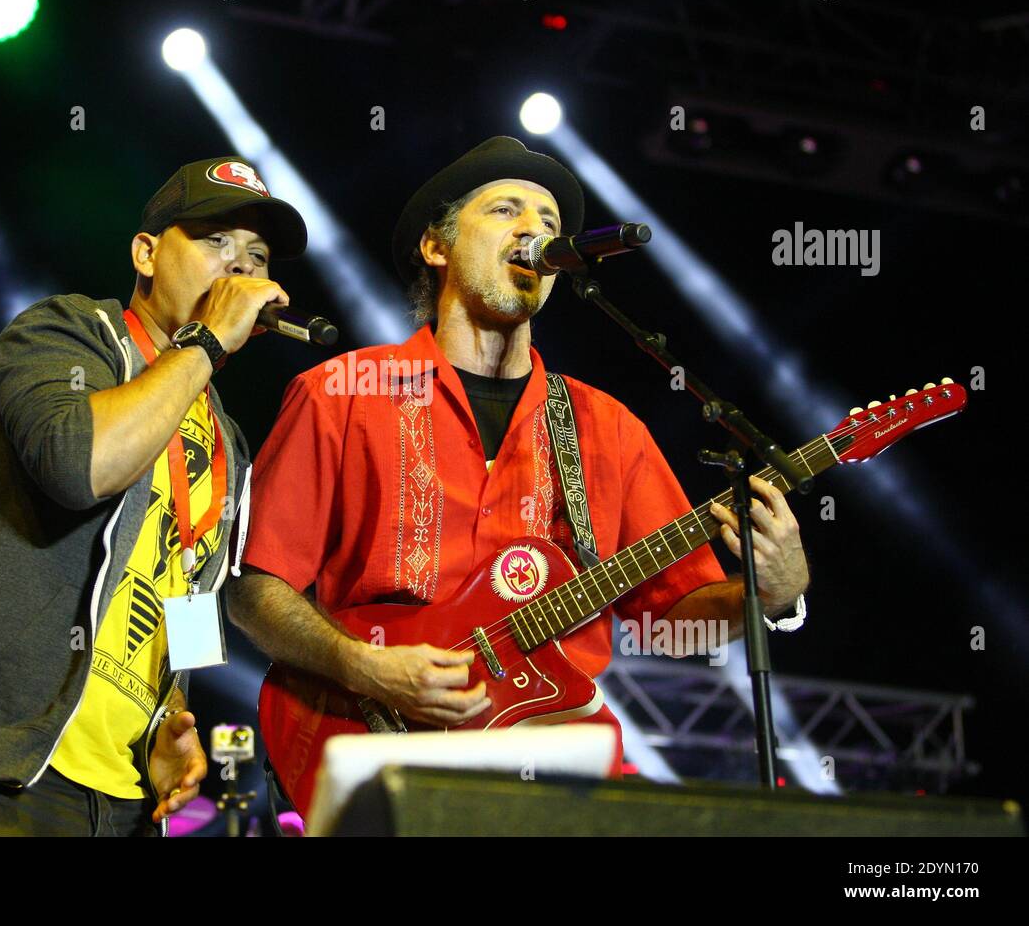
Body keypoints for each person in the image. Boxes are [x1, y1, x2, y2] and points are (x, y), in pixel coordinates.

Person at [228, 136, 808, 781]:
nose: (535, 229)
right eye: (506, 210)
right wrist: (363, 666)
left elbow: (670, 623)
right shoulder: (342, 393)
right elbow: (256, 590)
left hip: (557, 752)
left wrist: (773, 596)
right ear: (436, 246)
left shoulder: (607, 427)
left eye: (551, 223)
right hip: (373, 741)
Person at [0, 156, 305, 835]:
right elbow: (81, 465)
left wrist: (171, 714)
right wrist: (207, 341)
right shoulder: (67, 333)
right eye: (216, 242)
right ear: (146, 253)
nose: (240, 269)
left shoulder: (225, 436)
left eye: (256, 255)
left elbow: (193, 587)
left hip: (124, 798)